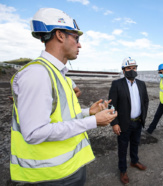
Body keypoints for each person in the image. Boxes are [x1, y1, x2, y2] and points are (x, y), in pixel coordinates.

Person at [10, 8, 117, 185]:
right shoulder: (38, 74)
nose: (79, 44)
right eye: (76, 38)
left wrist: (87, 112)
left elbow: (61, 114)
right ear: (60, 35)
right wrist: (93, 122)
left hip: (68, 168)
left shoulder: (59, 75)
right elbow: (34, 133)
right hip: (51, 176)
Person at [109, 57, 149, 185]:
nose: (132, 70)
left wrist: (143, 116)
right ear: (123, 70)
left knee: (135, 143)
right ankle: (123, 170)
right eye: (129, 68)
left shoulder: (141, 84)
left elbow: (146, 101)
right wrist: (114, 123)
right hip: (123, 123)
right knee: (122, 147)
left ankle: (134, 161)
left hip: (138, 122)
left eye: (134, 68)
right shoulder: (117, 84)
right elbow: (111, 105)